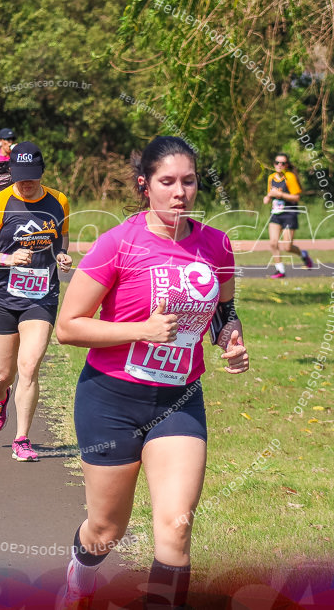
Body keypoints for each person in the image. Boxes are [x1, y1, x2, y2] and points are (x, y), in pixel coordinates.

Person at [53, 136, 249, 609]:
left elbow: (224, 311)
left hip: (178, 402)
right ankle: (81, 572)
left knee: (176, 527)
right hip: (111, 401)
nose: (179, 192)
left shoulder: (216, 245)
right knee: (105, 530)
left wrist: (230, 340)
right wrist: (141, 329)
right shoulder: (118, 243)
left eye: (189, 181)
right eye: (167, 182)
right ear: (145, 186)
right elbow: (67, 327)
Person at [0, 142, 72, 461]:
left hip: (41, 295)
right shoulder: (1, 202)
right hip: (3, 295)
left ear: (42, 173)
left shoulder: (59, 201)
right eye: (21, 177)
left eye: (33, 178)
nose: (26, 184)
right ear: (11, 172)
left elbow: (61, 236)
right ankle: (0, 398)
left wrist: (62, 254)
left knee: (29, 366)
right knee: (4, 373)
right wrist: (6, 258)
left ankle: (22, 439)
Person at [263, 153, 313, 278]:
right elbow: (270, 194)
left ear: (287, 165)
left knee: (287, 246)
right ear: (274, 164)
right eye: (277, 162)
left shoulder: (289, 177)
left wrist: (281, 195)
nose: (279, 165)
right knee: (273, 243)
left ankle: (303, 255)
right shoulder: (271, 177)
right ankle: (280, 270)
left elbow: (296, 197)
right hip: (276, 213)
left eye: (283, 163)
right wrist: (268, 197)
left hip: (289, 213)